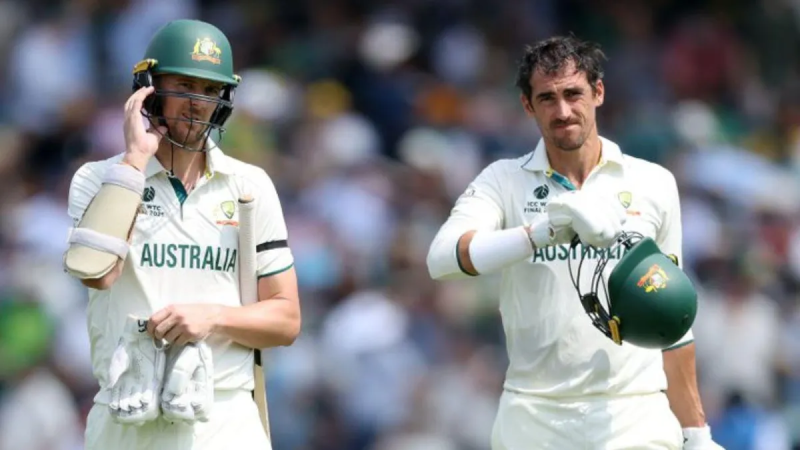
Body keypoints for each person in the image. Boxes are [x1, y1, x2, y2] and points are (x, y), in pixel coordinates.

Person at [426, 35, 724, 449]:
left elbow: (670, 316)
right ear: (527, 105)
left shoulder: (652, 183)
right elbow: (442, 259)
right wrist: (542, 232)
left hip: (633, 413)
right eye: (547, 98)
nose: (563, 111)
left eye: (573, 94)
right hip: (534, 416)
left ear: (598, 92)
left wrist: (696, 432)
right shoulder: (503, 180)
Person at [63, 19, 300, 450]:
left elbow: (285, 320)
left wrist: (214, 317)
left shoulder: (249, 185)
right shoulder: (98, 178)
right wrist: (135, 163)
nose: (198, 103)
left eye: (210, 90)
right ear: (149, 90)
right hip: (126, 415)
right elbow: (97, 272)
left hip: (224, 418)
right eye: (185, 85)